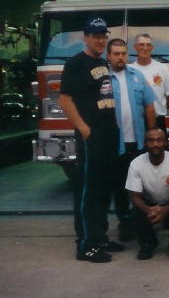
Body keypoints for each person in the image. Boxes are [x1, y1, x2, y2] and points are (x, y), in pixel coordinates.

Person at [58, 17, 122, 263]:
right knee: (88, 190)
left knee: (104, 189)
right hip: (91, 136)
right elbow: (65, 100)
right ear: (85, 37)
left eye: (103, 36)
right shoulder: (75, 64)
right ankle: (86, 245)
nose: (100, 40)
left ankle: (100, 236)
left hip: (108, 134)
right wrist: (84, 129)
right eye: (96, 36)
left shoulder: (103, 62)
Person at [107, 38, 157, 242]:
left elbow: (149, 106)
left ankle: (145, 223)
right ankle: (124, 223)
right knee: (120, 187)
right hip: (114, 144)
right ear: (108, 56)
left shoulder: (137, 77)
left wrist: (152, 134)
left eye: (123, 53)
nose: (121, 57)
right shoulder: (103, 79)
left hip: (137, 143)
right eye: (116, 54)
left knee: (142, 185)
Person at [125, 128, 169, 260]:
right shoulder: (136, 164)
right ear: (145, 143)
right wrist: (149, 210)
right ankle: (148, 244)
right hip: (149, 205)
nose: (155, 144)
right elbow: (135, 197)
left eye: (159, 140)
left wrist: (166, 210)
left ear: (166, 143)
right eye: (151, 140)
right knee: (135, 215)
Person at [130, 33, 169, 134]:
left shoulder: (162, 69)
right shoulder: (130, 70)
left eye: (148, 45)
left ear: (152, 48)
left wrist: (160, 107)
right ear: (135, 47)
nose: (145, 48)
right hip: (135, 122)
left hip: (158, 121)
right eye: (141, 45)